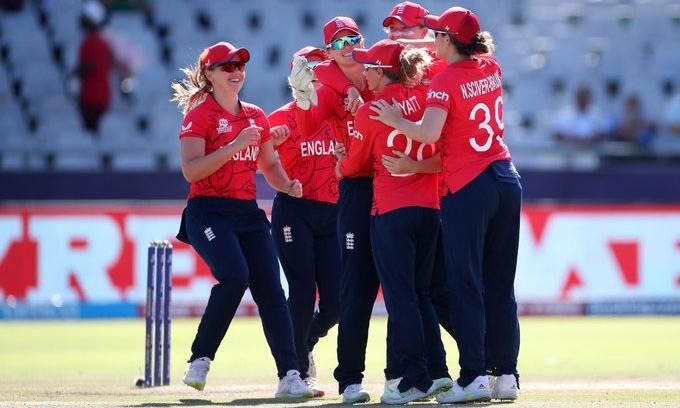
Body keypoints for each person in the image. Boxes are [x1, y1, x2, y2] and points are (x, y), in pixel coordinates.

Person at [370, 6, 521, 403]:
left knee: (466, 283)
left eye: (438, 34)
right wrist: (419, 41)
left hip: (470, 185)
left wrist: (393, 118)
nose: (432, 39)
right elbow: (462, 61)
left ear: (449, 40)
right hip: (506, 176)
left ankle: (472, 377)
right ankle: (506, 375)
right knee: (500, 286)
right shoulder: (490, 66)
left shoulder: (446, 81)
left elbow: (428, 131)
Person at [171, 41, 313, 399]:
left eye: (240, 66)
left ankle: (290, 374)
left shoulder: (255, 115)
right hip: (208, 210)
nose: (236, 73)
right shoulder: (198, 115)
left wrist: (288, 185)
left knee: (270, 289)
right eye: (227, 67)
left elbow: (269, 165)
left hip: (247, 213)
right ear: (209, 74)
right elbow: (191, 171)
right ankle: (200, 358)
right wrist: (234, 144)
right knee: (235, 277)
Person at [336, 39, 452, 404]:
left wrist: (341, 160)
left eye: (369, 67)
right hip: (429, 209)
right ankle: (437, 372)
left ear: (383, 71)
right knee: (420, 295)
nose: (364, 72)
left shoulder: (371, 110)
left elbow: (354, 166)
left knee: (401, 299)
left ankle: (414, 379)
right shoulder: (425, 97)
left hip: (391, 211)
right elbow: (444, 153)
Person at [288, 16, 375, 404]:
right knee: (349, 294)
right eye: (339, 43)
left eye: (353, 38)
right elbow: (305, 129)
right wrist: (303, 97)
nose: (348, 47)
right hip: (351, 190)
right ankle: (350, 380)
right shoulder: (325, 86)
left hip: (400, 182)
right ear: (328, 52)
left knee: (416, 288)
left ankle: (416, 374)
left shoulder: (378, 65)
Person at [268, 46, 340, 398]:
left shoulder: (337, 114)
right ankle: (293, 370)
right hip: (294, 210)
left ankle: (304, 342)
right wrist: (280, 171)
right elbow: (260, 162)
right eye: (309, 68)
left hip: (334, 212)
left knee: (338, 302)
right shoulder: (280, 117)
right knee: (300, 290)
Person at [74, 0, 114, 134]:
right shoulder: (104, 42)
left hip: (91, 98)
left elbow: (89, 67)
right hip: (102, 97)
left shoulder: (90, 42)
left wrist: (76, 72)